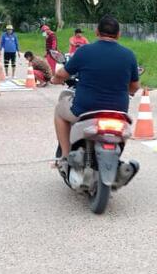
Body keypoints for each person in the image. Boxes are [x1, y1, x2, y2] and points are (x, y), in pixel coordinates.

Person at [50, 14, 140, 168]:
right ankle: (116, 160)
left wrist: (55, 80)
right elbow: (134, 86)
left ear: (97, 32)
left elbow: (62, 74)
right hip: (118, 111)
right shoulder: (129, 55)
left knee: (59, 110)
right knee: (123, 129)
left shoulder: (84, 51)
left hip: (85, 109)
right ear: (119, 34)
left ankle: (65, 156)